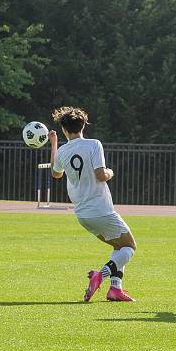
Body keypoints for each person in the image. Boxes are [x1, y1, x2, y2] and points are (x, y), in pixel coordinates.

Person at [49, 106, 137, 302]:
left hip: (83, 214)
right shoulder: (94, 144)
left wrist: (54, 144)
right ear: (83, 126)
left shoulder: (62, 151)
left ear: (64, 129)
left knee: (118, 247)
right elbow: (100, 174)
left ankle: (116, 289)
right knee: (130, 246)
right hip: (101, 209)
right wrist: (110, 172)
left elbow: (56, 173)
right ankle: (101, 276)